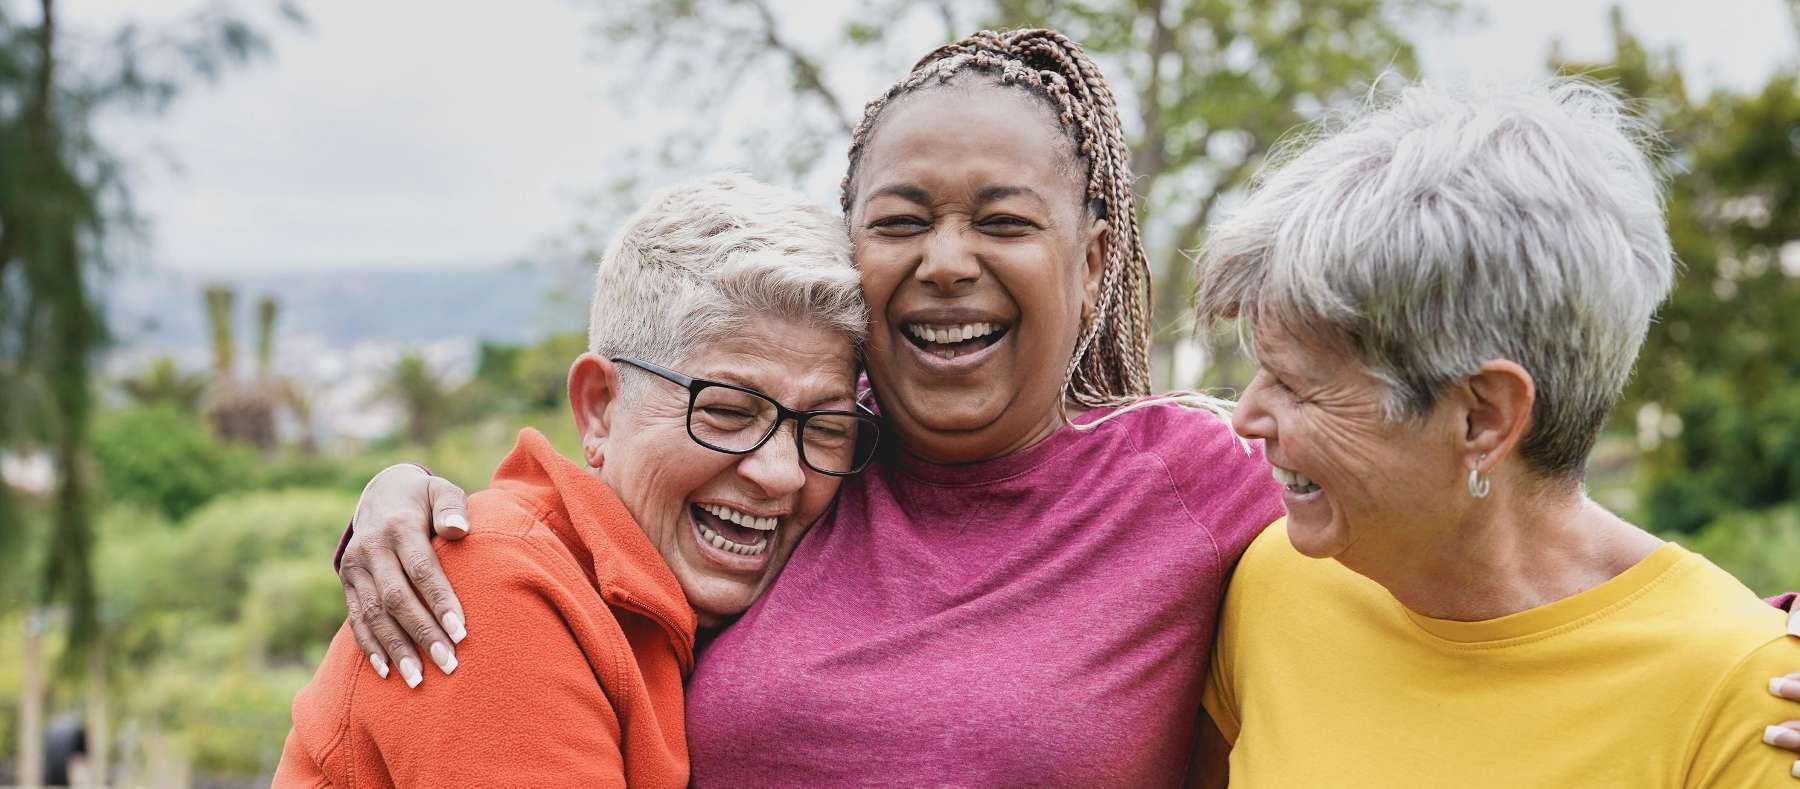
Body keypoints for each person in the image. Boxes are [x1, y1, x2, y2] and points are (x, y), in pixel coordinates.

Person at [329, 32, 1800, 787]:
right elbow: (604, 514)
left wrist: (1749, 637)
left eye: (1004, 220)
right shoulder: (799, 473)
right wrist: (411, 498)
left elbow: (1484, 506)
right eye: (900, 216)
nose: (947, 259)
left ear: (1095, 260)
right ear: (855, 252)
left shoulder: (1213, 487)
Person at [1190, 78, 1800, 787]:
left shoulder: (1747, 698)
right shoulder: (1273, 583)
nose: (1247, 417)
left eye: (1297, 385)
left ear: (1483, 417)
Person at [272, 173, 876, 788]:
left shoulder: (676, 592)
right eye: (726, 411)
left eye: (824, 428)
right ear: (599, 408)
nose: (782, 474)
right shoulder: (491, 594)